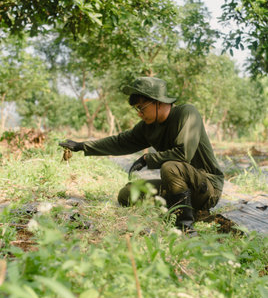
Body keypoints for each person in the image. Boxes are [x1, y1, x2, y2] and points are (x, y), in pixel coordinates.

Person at [59, 77, 224, 232]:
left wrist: (147, 158)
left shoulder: (186, 113)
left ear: (158, 102)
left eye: (141, 108)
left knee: (170, 167)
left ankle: (185, 227)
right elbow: (119, 142)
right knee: (127, 194)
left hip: (207, 187)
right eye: (136, 109)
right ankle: (180, 207)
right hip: (178, 186)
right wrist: (82, 146)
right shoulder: (148, 127)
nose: (139, 113)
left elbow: (183, 153)